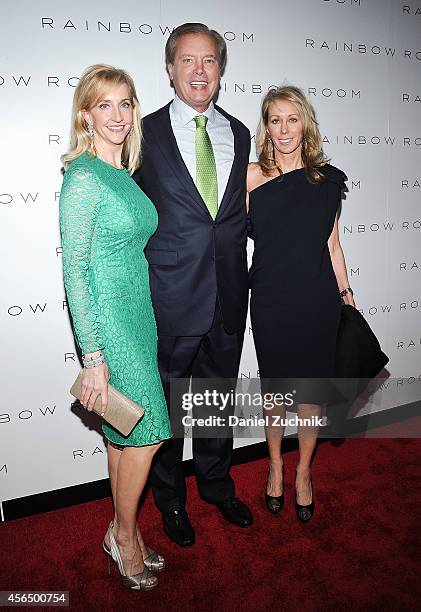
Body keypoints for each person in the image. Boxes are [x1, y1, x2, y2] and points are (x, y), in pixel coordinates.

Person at [133, 23, 253, 547]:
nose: (199, 70)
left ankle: (216, 485)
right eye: (187, 60)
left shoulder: (242, 131)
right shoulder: (143, 131)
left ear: (221, 70)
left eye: (209, 60)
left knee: (214, 401)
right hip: (170, 296)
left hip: (228, 294)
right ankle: (170, 500)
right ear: (170, 68)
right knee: (168, 405)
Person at [59, 64, 172, 590]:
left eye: (125, 103)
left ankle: (125, 531)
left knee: (122, 438)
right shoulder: (83, 176)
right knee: (148, 434)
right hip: (110, 325)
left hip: (138, 316)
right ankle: (122, 535)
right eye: (105, 105)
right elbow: (75, 272)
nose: (118, 115)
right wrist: (93, 356)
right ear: (87, 114)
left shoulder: (121, 175)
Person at [247, 86, 355, 523]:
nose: (285, 128)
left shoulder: (326, 180)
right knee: (275, 392)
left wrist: (346, 297)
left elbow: (332, 245)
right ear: (266, 126)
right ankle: (275, 466)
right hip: (271, 298)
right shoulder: (251, 177)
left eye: (293, 119)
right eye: (276, 120)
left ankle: (304, 474)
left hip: (316, 298)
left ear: (305, 123)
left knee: (310, 395)